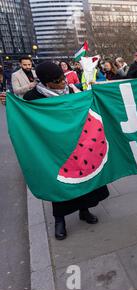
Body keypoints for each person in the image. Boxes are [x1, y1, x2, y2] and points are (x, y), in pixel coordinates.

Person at [23, 61, 109, 240]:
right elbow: (27, 121)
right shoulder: (32, 98)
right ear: (47, 83)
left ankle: (84, 211)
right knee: (60, 185)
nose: (64, 82)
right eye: (59, 80)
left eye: (63, 77)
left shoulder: (70, 91)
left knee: (83, 180)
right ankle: (59, 220)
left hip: (78, 144)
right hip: (52, 149)